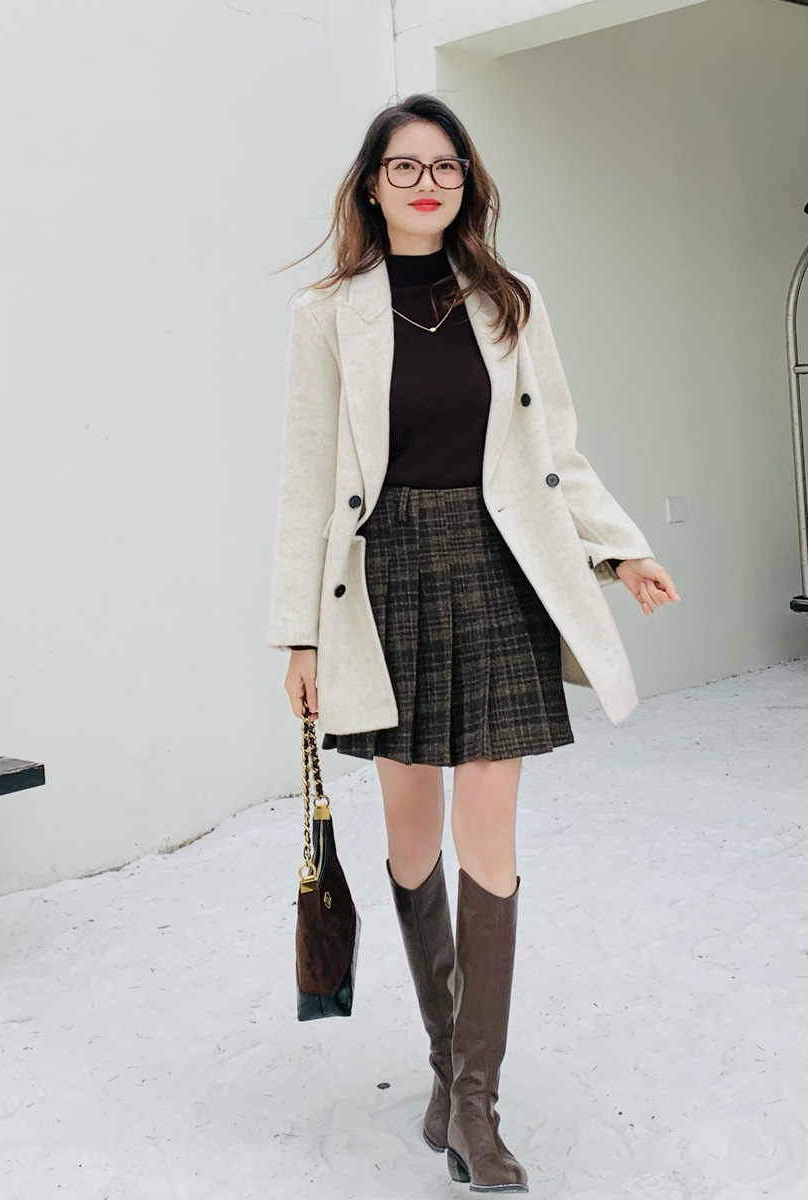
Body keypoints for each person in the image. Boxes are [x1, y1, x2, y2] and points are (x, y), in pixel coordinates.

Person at [267, 93, 680, 1193]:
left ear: (467, 181)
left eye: (445, 166)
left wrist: (620, 550)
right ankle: (445, 1070)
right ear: (372, 186)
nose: (427, 184)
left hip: (500, 570)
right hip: (385, 580)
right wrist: (299, 637)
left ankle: (476, 1106)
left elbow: (557, 452)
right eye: (405, 168)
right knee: (412, 834)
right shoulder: (328, 314)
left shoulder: (512, 299)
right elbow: (306, 479)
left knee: (490, 828)